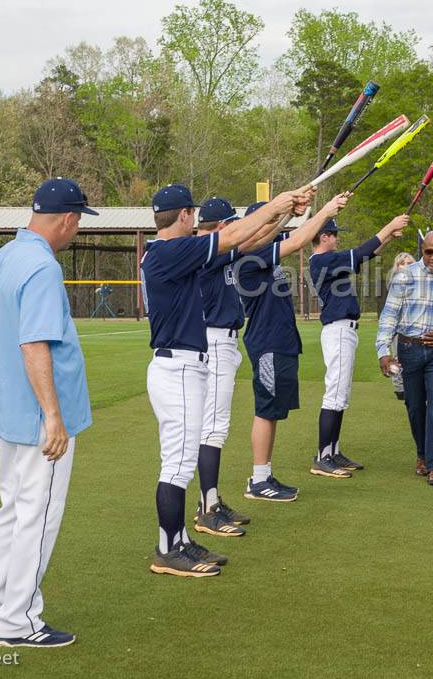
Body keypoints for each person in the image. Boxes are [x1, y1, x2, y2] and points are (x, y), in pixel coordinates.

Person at [142, 182, 307, 578]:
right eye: (191, 214)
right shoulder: (167, 252)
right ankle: (168, 549)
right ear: (184, 216)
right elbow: (231, 234)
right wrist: (278, 205)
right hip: (176, 366)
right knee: (177, 466)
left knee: (180, 462)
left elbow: (245, 241)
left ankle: (178, 540)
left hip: (184, 364)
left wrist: (282, 214)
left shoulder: (175, 255)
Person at [0, 177, 96, 648]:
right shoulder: (42, 266)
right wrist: (53, 416)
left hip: (5, 409)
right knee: (37, 516)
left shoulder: (1, 258)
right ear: (66, 218)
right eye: (78, 219)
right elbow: (33, 342)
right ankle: (17, 623)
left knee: (12, 511)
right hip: (39, 417)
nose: (77, 228)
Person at [238, 193, 350, 502]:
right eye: (268, 222)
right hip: (268, 346)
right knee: (265, 411)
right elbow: (299, 240)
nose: (273, 228)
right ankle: (259, 480)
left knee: (273, 412)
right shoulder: (249, 256)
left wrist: (293, 212)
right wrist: (325, 211)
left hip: (281, 343)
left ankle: (265, 475)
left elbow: (286, 233)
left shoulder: (264, 251)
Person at [308, 213, 409, 478]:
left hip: (344, 330)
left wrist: (387, 237)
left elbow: (367, 253)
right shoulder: (322, 260)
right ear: (324, 237)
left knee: (341, 396)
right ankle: (322, 456)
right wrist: (389, 225)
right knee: (334, 394)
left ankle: (333, 450)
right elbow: (361, 251)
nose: (337, 239)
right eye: (334, 235)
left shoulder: (329, 261)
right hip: (337, 330)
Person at [377, 231, 433, 486]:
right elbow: (389, 316)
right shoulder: (404, 277)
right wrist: (383, 351)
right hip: (409, 349)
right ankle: (422, 454)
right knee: (414, 407)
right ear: (422, 250)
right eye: (429, 252)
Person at [192, 197, 253, 536]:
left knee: (215, 425)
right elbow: (249, 237)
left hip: (222, 339)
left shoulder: (216, 247)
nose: (234, 227)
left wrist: (285, 214)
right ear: (219, 227)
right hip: (214, 340)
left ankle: (211, 500)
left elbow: (254, 238)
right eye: (230, 222)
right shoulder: (208, 248)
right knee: (213, 427)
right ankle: (206, 508)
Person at [385, 251, 417, 400]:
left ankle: (413, 385)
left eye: (409, 263)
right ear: (397, 267)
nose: (405, 266)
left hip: (415, 327)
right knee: (398, 357)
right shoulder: (394, 282)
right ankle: (399, 387)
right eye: (402, 263)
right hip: (398, 326)